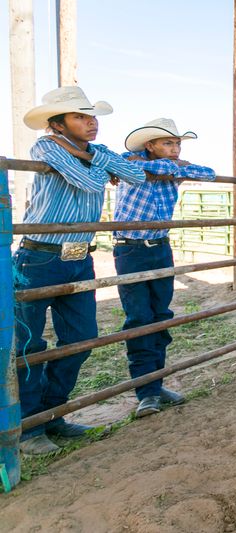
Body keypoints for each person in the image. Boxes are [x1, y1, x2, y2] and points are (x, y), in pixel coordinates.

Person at [15, 86, 146, 455]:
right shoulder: (45, 147)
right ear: (57, 124)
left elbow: (135, 177)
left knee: (81, 338)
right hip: (39, 257)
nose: (92, 123)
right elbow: (90, 181)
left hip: (79, 257)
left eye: (92, 117)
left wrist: (98, 159)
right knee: (30, 344)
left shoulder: (95, 152)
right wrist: (105, 165)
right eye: (81, 117)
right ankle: (27, 428)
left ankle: (51, 414)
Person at [115, 118, 216, 418]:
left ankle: (155, 385)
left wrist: (171, 167)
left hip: (160, 247)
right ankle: (146, 391)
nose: (175, 150)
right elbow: (124, 165)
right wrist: (172, 168)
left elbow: (208, 173)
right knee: (139, 319)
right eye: (168, 144)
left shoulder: (166, 166)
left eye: (177, 145)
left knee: (160, 316)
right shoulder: (127, 164)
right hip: (130, 249)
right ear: (150, 145)